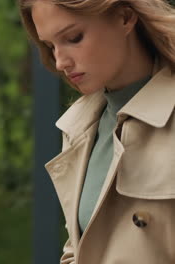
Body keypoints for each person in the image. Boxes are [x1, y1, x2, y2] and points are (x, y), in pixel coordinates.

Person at [18, 0, 175, 263]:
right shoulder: (78, 127)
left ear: (125, 17)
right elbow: (81, 249)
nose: (60, 61)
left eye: (73, 38)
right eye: (50, 46)